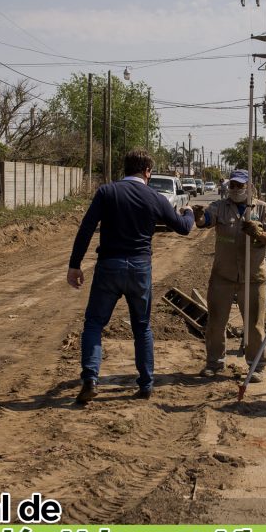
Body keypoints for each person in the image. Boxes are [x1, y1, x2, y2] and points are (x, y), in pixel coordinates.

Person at [68, 149, 195, 404]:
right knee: (142, 326)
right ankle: (146, 383)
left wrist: (75, 264)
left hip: (109, 267)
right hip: (140, 269)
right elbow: (182, 228)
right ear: (147, 171)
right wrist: (189, 212)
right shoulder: (154, 197)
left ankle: (90, 379)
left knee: (94, 323)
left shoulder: (107, 192)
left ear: (124, 169)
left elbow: (86, 229)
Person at [192, 169, 266, 381]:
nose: (236, 189)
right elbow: (205, 221)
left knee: (254, 325)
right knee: (216, 322)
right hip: (223, 274)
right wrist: (198, 216)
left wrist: (259, 233)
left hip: (253, 276)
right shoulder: (220, 207)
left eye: (240, 185)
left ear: (250, 186)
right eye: (233, 185)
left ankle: (256, 366)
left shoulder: (262, 209)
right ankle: (214, 363)